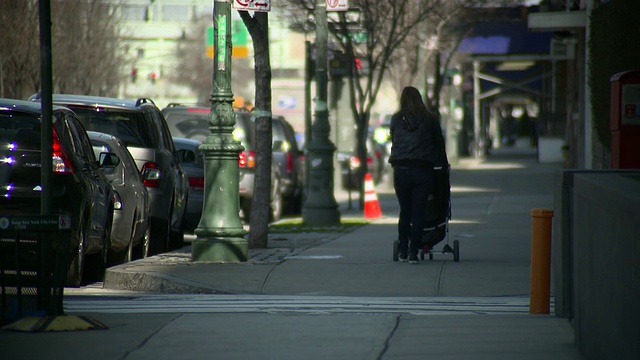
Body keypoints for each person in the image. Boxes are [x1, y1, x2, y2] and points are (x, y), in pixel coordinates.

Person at [388, 86, 447, 264]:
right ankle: (414, 252)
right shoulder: (430, 119)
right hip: (423, 170)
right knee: (419, 211)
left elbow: (394, 139)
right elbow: (439, 144)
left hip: (401, 170)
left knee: (404, 211)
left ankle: (403, 250)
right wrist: (443, 166)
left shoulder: (396, 119)